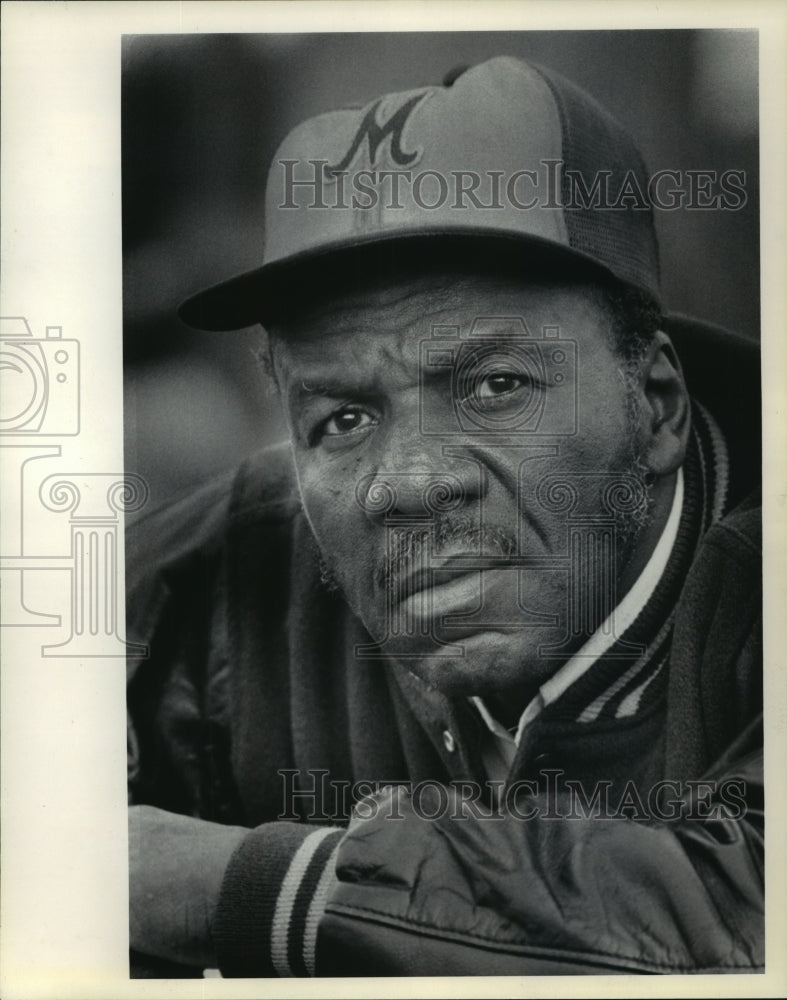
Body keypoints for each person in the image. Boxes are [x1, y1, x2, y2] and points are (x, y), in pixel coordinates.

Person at [126, 56, 763, 977]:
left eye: (495, 386)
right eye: (342, 420)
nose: (408, 484)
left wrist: (248, 887)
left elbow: (747, 911)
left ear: (655, 403)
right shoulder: (222, 572)